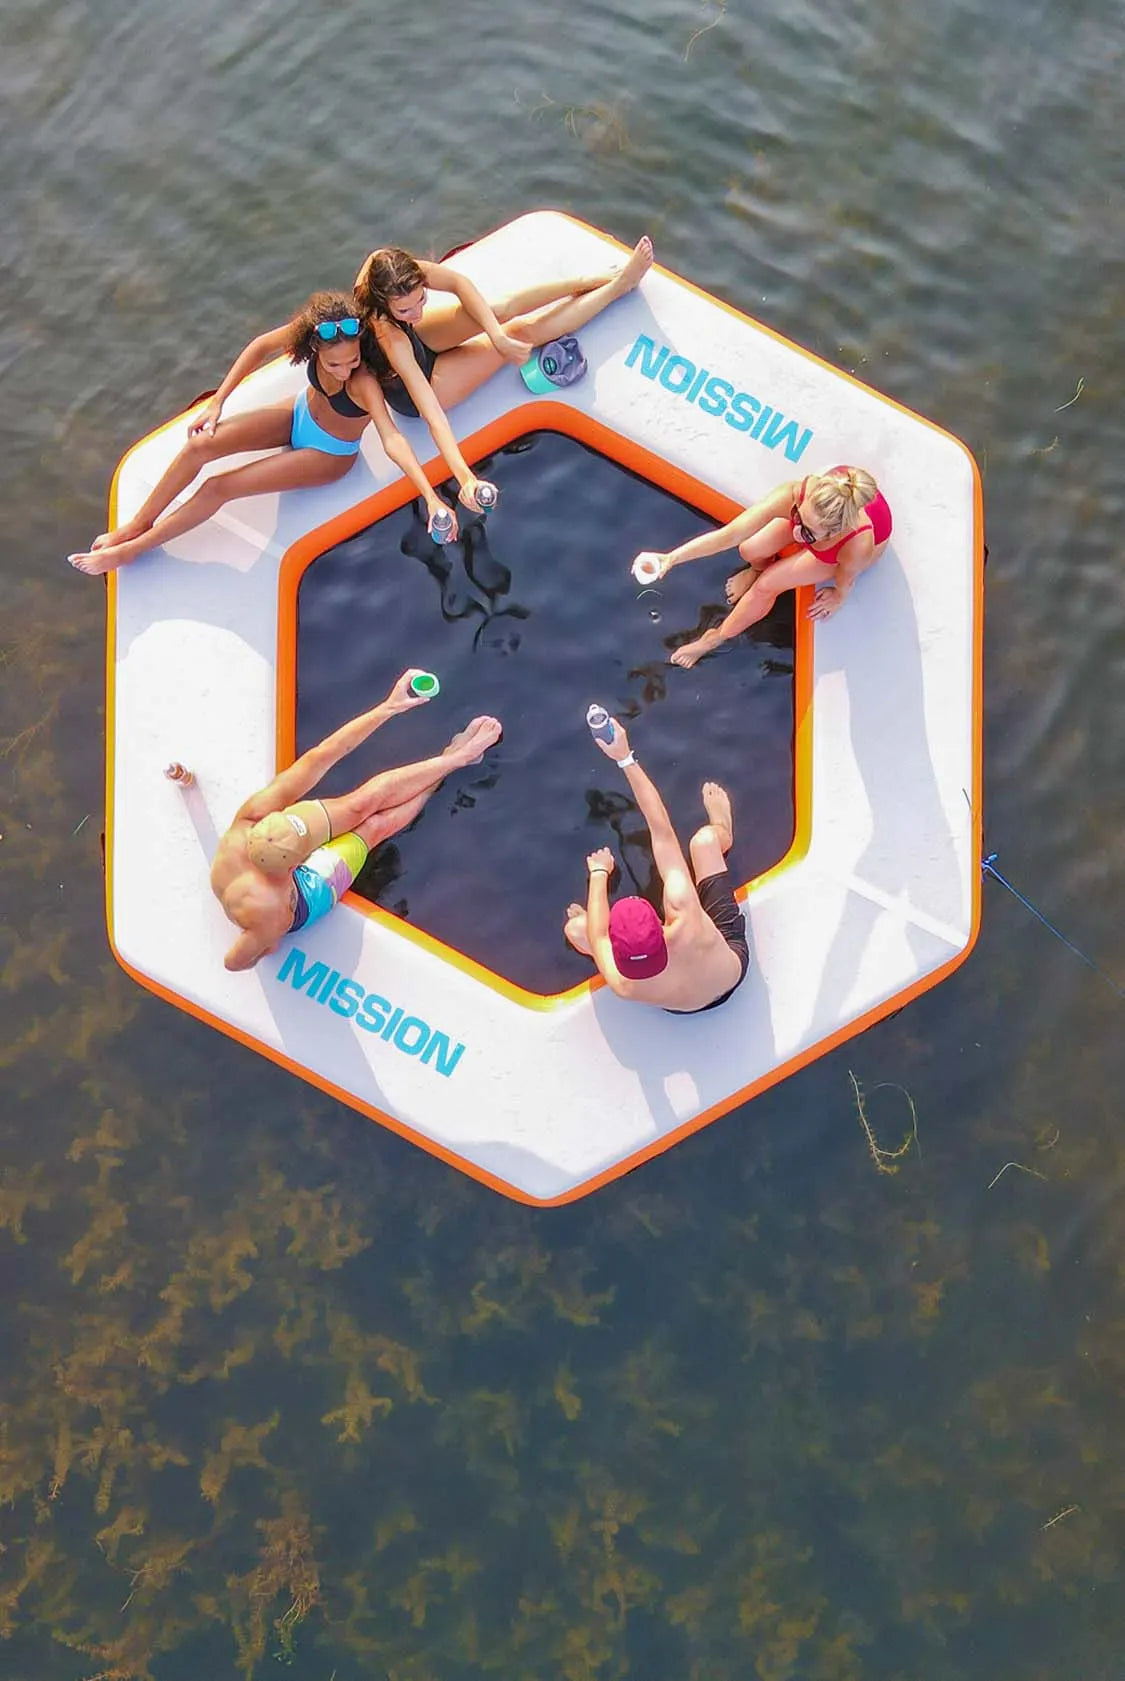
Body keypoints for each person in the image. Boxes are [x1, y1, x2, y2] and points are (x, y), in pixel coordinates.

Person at [68, 293, 455, 576]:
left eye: (352, 359)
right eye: (334, 364)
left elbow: (391, 438)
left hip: (328, 453)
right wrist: (218, 402)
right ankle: (139, 523)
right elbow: (258, 347)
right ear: (315, 347)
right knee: (201, 445)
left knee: (219, 487)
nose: (344, 370)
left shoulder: (363, 382)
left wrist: (430, 496)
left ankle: (135, 549)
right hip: (299, 414)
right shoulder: (311, 334)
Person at [209, 669, 502, 971]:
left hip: (274, 859)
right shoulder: (272, 913)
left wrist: (389, 707)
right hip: (303, 899)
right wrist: (263, 944)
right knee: (374, 827)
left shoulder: (250, 818)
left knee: (362, 804)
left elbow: (323, 755)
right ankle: (451, 763)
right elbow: (233, 963)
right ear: (297, 864)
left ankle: (452, 759)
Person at [353, 235, 655, 510]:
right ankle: (618, 287)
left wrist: (495, 334)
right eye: (405, 310)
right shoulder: (391, 340)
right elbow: (433, 416)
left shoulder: (391, 269)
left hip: (418, 340)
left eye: (421, 300)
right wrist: (465, 477)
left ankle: (584, 282)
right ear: (382, 303)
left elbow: (458, 283)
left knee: (498, 311)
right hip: (422, 389)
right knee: (521, 332)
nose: (417, 312)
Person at [563, 716, 749, 1013]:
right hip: (728, 972)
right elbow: (661, 830)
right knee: (703, 843)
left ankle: (723, 826)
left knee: (576, 929)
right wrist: (624, 758)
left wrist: (599, 873)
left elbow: (598, 934)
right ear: (660, 924)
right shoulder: (685, 915)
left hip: (683, 1001)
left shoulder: (623, 982)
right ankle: (720, 831)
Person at [635, 466, 892, 670]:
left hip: (842, 551)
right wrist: (671, 558)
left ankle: (714, 638)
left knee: (766, 585)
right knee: (749, 549)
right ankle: (757, 567)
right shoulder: (796, 494)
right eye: (797, 516)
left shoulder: (856, 545)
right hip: (825, 520)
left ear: (834, 531)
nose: (796, 533)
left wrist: (838, 596)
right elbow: (730, 535)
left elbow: (847, 579)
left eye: (807, 533)